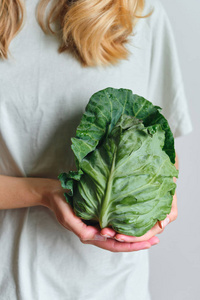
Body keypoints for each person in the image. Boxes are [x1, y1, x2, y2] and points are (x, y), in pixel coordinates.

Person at [0, 0, 192, 299]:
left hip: (115, 285)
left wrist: (160, 199)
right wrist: (44, 193)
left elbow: (158, 143)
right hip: (9, 281)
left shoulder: (139, 11)